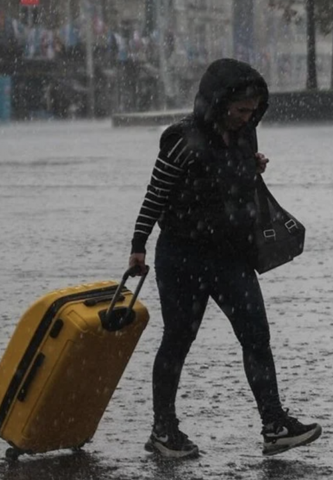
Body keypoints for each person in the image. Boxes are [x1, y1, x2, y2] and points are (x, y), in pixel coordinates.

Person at [128, 58, 322, 458]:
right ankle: (163, 430)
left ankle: (274, 425)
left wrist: (251, 166)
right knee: (178, 340)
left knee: (256, 337)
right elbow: (156, 195)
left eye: (253, 112)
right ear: (217, 103)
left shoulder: (245, 135)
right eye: (240, 111)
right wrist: (138, 246)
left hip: (231, 255)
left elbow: (232, 181)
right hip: (183, 256)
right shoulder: (181, 140)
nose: (246, 118)